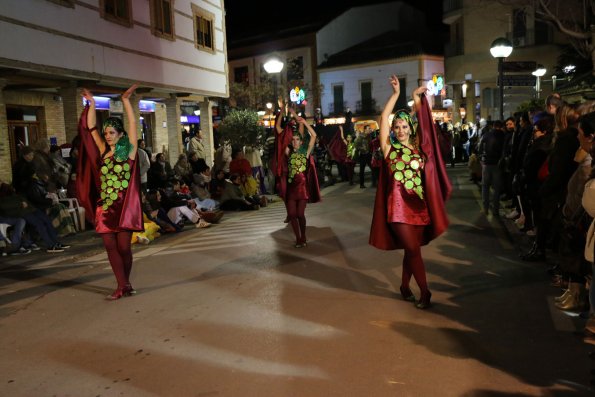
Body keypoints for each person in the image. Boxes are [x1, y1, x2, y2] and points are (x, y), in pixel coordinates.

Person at [369, 75, 451, 309]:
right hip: (397, 210)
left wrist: (417, 100)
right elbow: (383, 117)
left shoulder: (419, 151)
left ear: (410, 128)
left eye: (404, 126)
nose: (400, 129)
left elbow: (427, 126)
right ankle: (425, 292)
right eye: (397, 127)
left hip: (419, 208)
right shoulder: (388, 149)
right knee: (414, 250)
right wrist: (396, 94)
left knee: (411, 251)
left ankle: (405, 287)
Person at [78, 84, 143, 300]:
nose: (107, 135)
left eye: (111, 132)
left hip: (124, 208)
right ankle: (121, 285)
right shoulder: (104, 151)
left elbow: (133, 123)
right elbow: (91, 128)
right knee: (109, 245)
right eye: (106, 133)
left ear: (121, 134)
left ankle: (126, 282)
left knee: (124, 248)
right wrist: (92, 103)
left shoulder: (129, 151)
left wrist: (126, 101)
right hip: (105, 206)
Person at [285, 117, 316, 247]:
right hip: (291, 188)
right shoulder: (288, 152)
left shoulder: (306, 153)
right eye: (293, 139)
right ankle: (298, 238)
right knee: (292, 214)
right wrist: (288, 123)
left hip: (303, 189)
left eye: (297, 139)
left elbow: (314, 135)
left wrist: (304, 123)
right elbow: (282, 140)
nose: (295, 141)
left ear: (301, 142)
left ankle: (303, 235)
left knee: (300, 214)